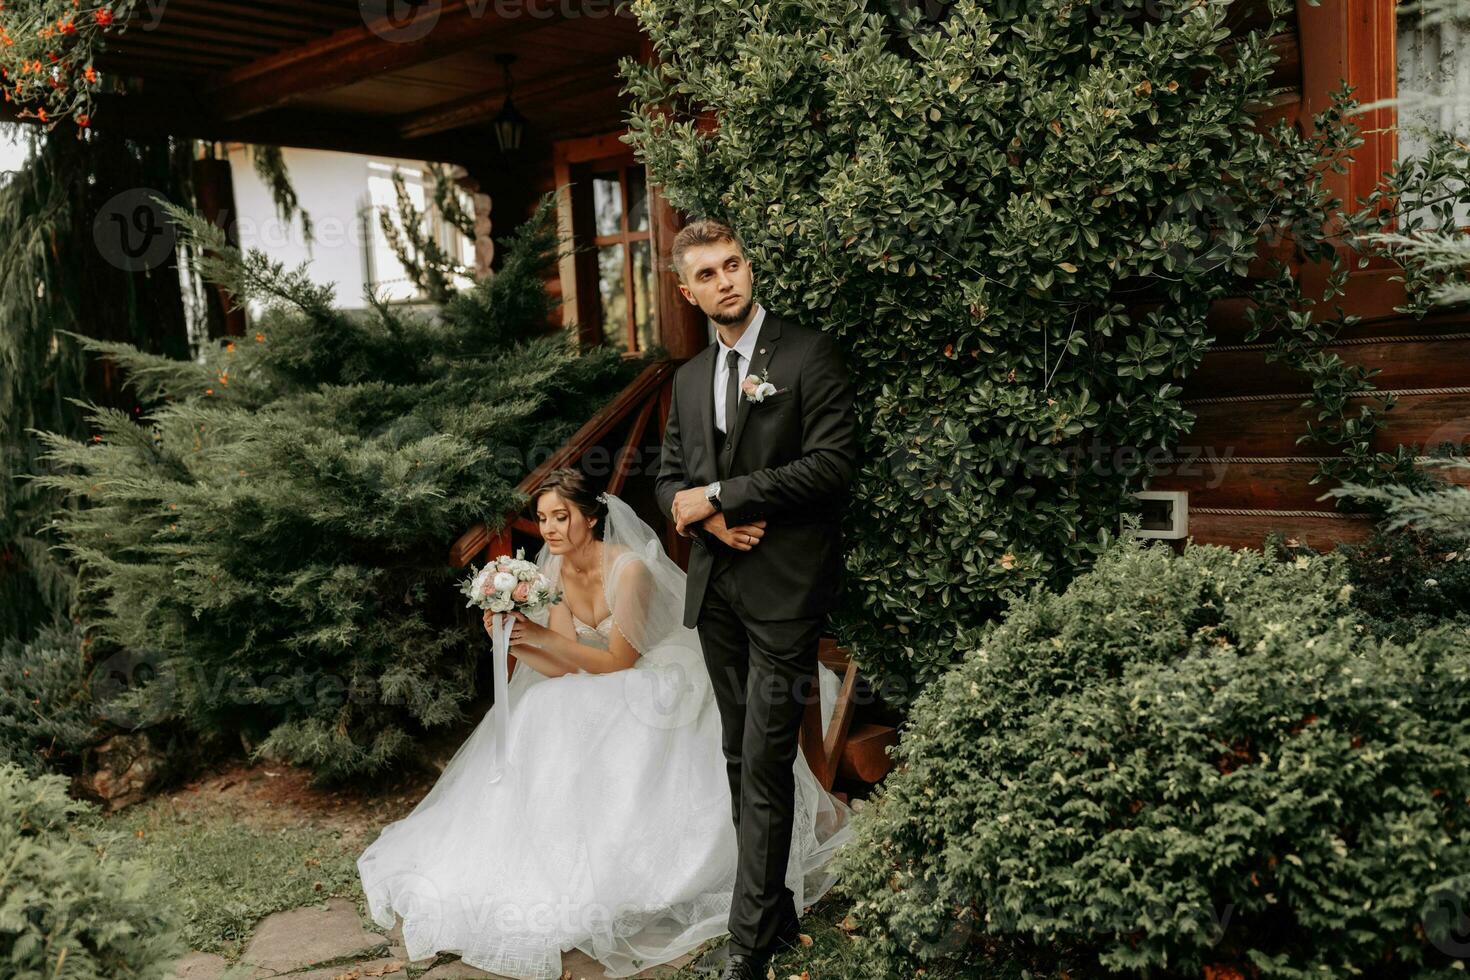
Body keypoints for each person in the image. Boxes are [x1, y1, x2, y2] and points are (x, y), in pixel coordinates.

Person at [356, 468, 852, 980]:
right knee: (541, 706)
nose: (549, 529)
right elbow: (564, 661)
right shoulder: (552, 576)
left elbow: (618, 661)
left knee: (590, 708)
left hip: (656, 678)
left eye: (560, 516)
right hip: (603, 675)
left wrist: (536, 636)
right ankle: (552, 851)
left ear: (590, 519)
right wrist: (514, 640)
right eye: (543, 518)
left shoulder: (629, 569)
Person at [655, 218, 860, 979]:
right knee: (737, 754)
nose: (725, 281)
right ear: (688, 291)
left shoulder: (807, 354)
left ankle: (747, 946)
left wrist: (723, 494)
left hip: (784, 590)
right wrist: (709, 521)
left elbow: (833, 465)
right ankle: (770, 916)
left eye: (732, 264)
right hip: (717, 591)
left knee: (766, 759)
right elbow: (669, 483)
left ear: (749, 266)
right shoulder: (685, 378)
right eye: (706, 274)